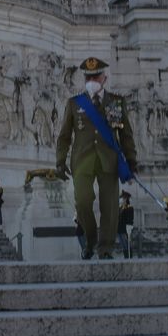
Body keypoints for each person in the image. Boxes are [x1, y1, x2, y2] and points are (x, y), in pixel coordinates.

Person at [56, 57, 138, 260]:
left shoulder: (117, 102)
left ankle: (106, 248)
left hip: (109, 160)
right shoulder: (75, 103)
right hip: (82, 161)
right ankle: (91, 240)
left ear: (104, 77)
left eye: (95, 75)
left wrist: (131, 160)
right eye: (88, 76)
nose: (92, 79)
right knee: (82, 203)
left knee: (109, 207)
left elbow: (126, 134)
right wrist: (60, 161)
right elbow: (64, 136)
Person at [117, 190, 134, 259]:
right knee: (123, 245)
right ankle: (126, 256)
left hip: (125, 229)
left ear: (126, 199)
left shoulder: (129, 208)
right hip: (119, 229)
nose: (121, 199)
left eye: (123, 198)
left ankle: (129, 257)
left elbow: (130, 219)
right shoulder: (120, 208)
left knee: (127, 244)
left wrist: (129, 227)